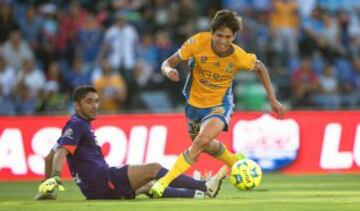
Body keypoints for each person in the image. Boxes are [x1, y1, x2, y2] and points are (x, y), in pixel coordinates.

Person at [150, 10, 286, 197]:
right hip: (193, 104)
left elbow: (260, 67)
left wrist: (272, 99)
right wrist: (168, 71)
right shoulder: (197, 42)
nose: (223, 41)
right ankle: (234, 160)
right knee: (203, 144)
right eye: (219, 35)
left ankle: (163, 183)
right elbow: (167, 63)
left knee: (200, 142)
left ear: (234, 36)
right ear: (212, 33)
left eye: (228, 37)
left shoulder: (238, 56)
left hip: (219, 105)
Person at [34, 85, 227, 200]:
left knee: (148, 184)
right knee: (153, 169)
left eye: (97, 101)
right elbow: (61, 153)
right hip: (102, 180)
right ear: (77, 105)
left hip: (93, 189)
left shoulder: (74, 125)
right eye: (89, 102)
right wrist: (57, 176)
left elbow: (49, 156)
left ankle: (195, 194)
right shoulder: (77, 124)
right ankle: (204, 186)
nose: (95, 106)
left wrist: (47, 184)